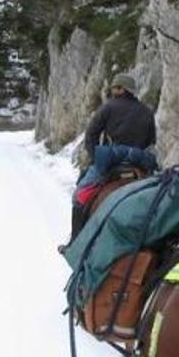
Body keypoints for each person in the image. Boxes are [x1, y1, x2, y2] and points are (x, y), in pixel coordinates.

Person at [60, 74, 158, 252]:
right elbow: (151, 141)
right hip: (140, 163)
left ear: (122, 89)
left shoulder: (108, 107)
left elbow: (91, 135)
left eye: (115, 87)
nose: (112, 90)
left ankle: (74, 244)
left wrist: (96, 158)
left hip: (112, 162)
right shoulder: (146, 111)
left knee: (79, 197)